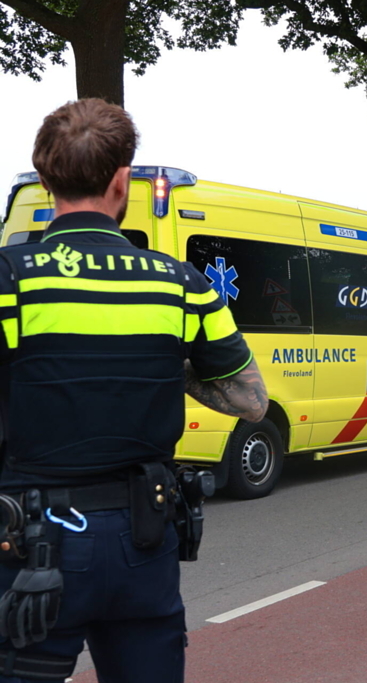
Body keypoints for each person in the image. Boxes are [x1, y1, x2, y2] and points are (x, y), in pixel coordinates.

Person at [0, 99, 268, 683]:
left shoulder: (8, 278)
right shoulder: (182, 284)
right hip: (143, 539)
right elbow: (252, 403)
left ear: (44, 181)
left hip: (29, 544)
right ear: (122, 182)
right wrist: (169, 360)